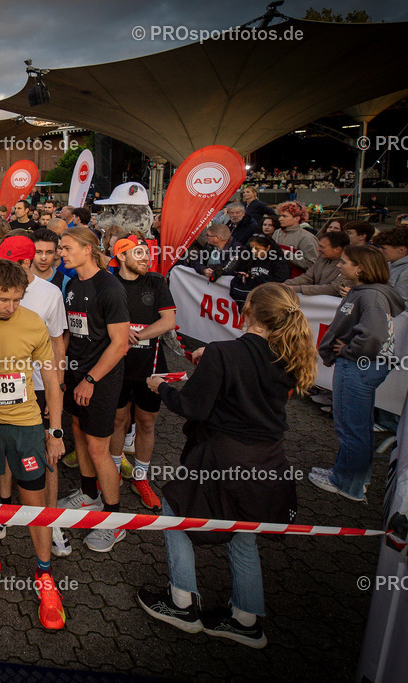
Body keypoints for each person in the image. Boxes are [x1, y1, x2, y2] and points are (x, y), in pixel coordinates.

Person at [138, 283, 318, 649]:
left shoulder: (226, 352)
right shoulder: (288, 351)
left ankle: (182, 603)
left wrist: (161, 387)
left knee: (175, 513)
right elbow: (245, 378)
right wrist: (212, 361)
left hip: (220, 457)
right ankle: (246, 619)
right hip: (267, 458)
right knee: (244, 529)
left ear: (248, 309)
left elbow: (193, 407)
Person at [0, 259, 66, 630]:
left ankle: (45, 575)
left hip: (25, 424)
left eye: (17, 299)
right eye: (3, 299)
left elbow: (52, 379)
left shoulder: (32, 322)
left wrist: (54, 432)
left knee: (34, 500)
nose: (10, 307)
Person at [55, 228, 130, 553]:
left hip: (100, 380)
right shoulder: (72, 284)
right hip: (76, 373)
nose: (62, 252)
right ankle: (88, 494)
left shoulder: (109, 287)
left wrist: (91, 379)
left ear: (88, 249)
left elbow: (120, 344)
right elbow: (72, 332)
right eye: (60, 247)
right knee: (78, 429)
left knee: (99, 447)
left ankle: (114, 521)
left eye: (67, 247)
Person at [311, 246, 406, 501]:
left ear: (360, 267)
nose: (339, 266)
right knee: (358, 426)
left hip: (357, 368)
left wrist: (348, 351)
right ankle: (353, 477)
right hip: (360, 366)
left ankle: (346, 482)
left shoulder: (371, 296)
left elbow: (374, 335)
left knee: (351, 427)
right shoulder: (367, 293)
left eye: (344, 262)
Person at [107, 236, 176, 512]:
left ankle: (141, 477)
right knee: (118, 420)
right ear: (121, 257)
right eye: (139, 254)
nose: (146, 259)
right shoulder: (110, 283)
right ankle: (111, 473)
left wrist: (135, 336)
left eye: (148, 254)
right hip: (118, 366)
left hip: (151, 364)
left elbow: (168, 321)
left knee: (146, 423)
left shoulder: (157, 281)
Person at [223, 234, 290, 306]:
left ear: (268, 248)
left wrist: (257, 279)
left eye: (257, 249)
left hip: (266, 299)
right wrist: (246, 275)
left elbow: (280, 279)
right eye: (252, 248)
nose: (253, 251)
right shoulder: (251, 259)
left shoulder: (279, 262)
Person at [372, 226, 408, 313]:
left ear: (402, 250)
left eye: (383, 248)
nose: (379, 251)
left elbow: (406, 305)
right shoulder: (390, 263)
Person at [284, 231, 349, 296]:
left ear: (338, 249)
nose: (318, 249)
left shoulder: (348, 265)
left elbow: (333, 289)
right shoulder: (322, 258)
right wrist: (286, 284)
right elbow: (308, 277)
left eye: (322, 247)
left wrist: (296, 289)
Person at [273, 201, 319, 276]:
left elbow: (312, 264)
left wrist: (287, 254)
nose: (280, 219)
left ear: (297, 218)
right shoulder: (277, 233)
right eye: (280, 216)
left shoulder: (307, 237)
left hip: (295, 281)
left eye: (284, 216)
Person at [30, 228, 71, 296]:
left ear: (55, 254)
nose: (43, 258)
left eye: (49, 252)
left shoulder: (65, 283)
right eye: (38, 252)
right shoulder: (19, 278)